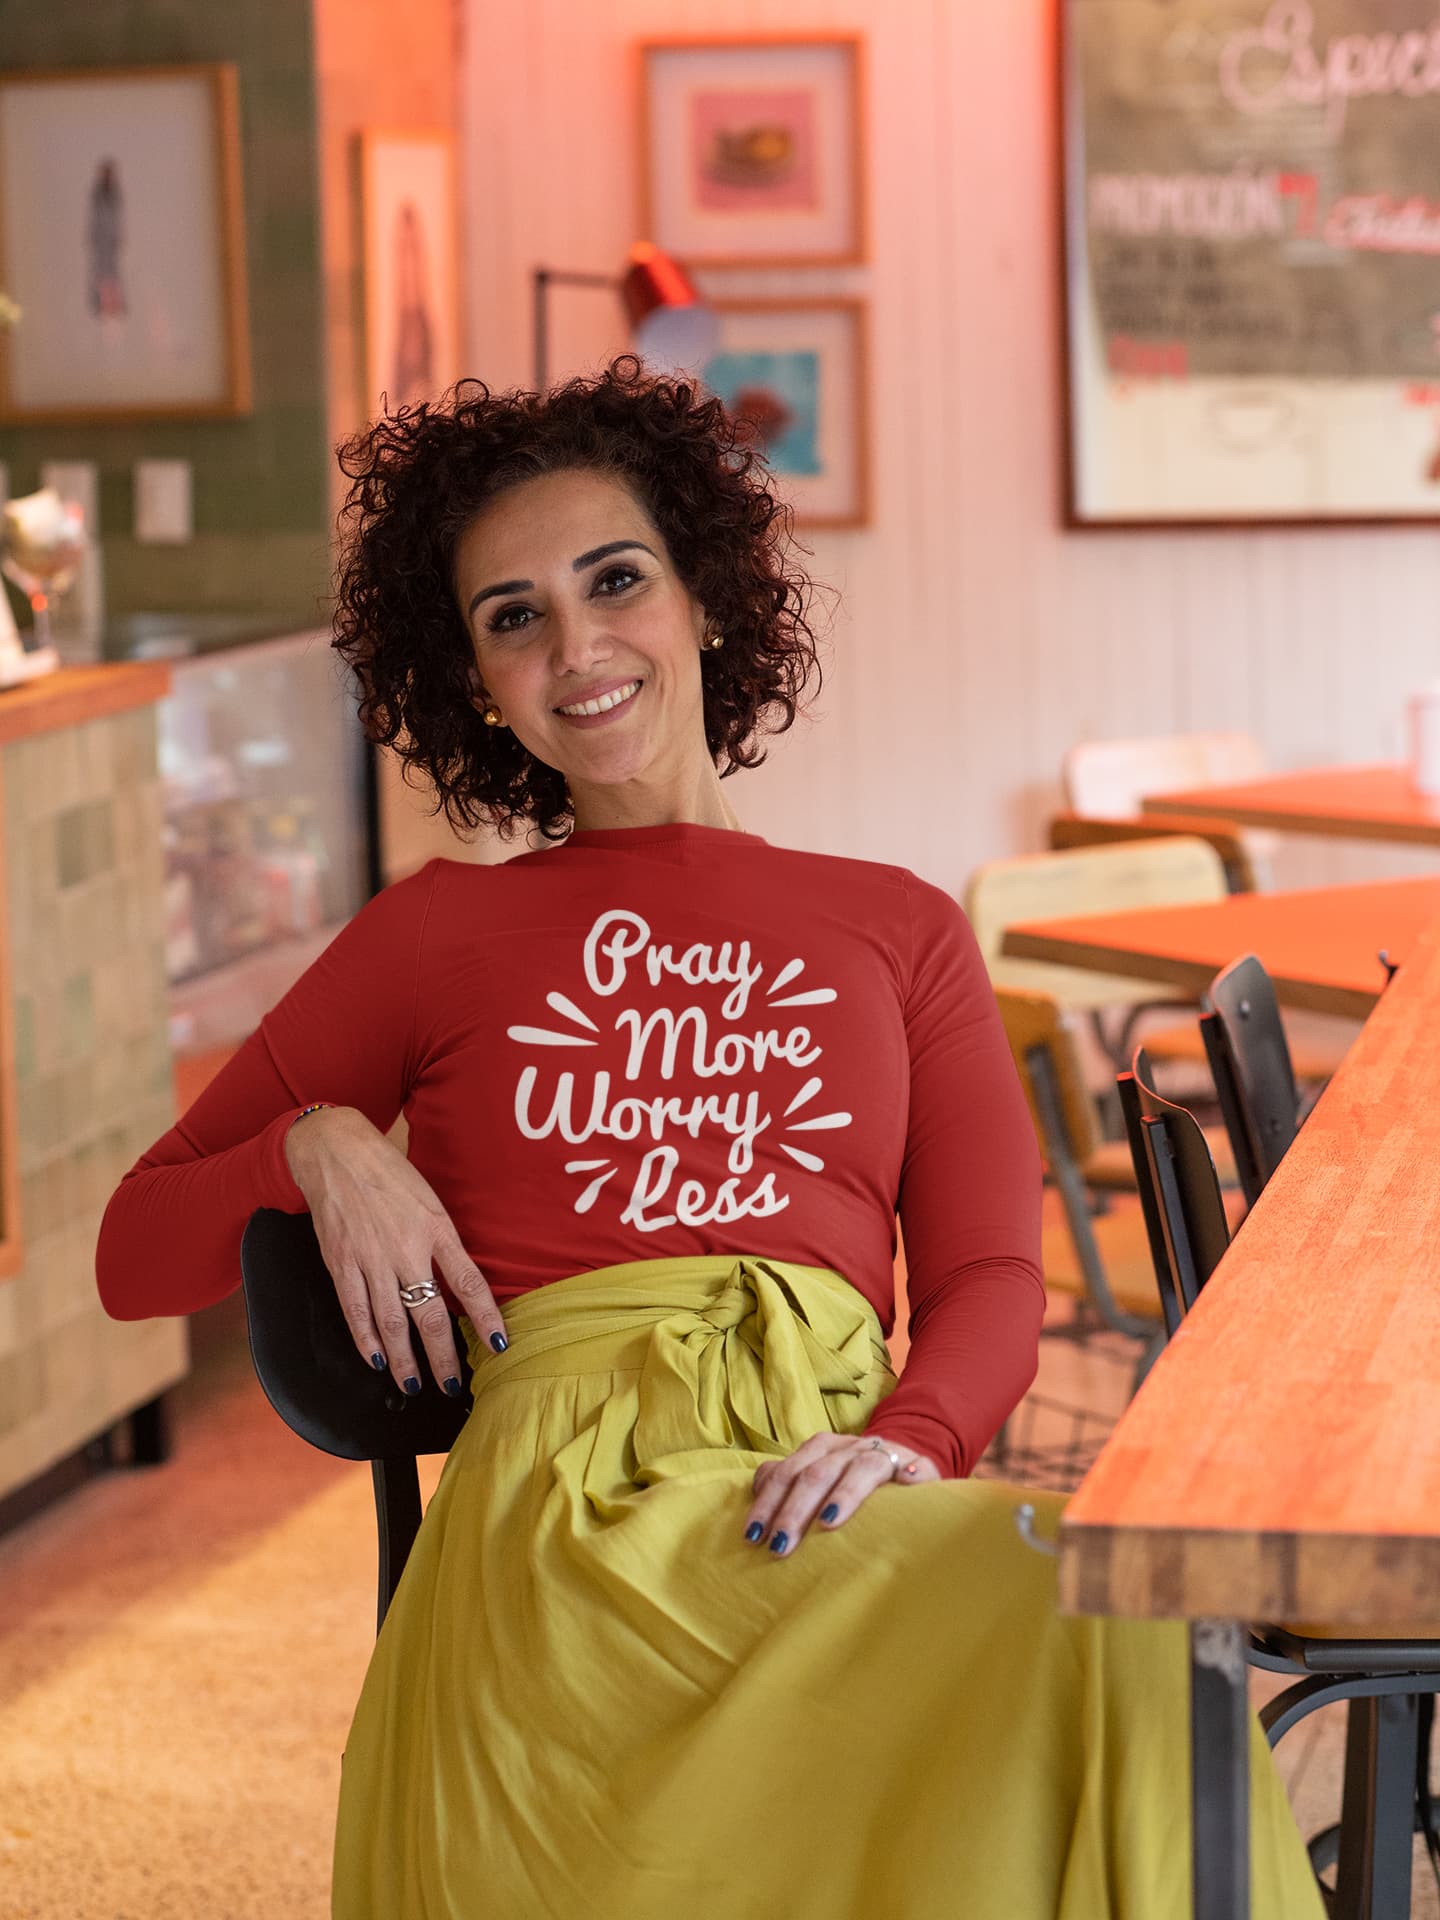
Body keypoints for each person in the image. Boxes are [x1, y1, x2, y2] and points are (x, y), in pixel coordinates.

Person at [97, 359, 1324, 1919]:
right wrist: (316, 1146)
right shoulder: (434, 935)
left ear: (707, 605)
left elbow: (993, 1273)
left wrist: (911, 1441)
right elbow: (136, 1254)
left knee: (1130, 1597)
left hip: (825, 1482)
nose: (578, 644)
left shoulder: (895, 927)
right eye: (512, 614)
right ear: (475, 681)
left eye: (616, 581)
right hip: (559, 1550)